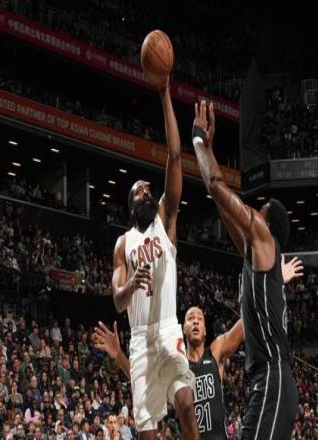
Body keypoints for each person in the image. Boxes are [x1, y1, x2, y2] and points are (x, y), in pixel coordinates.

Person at [95, 256, 303, 439]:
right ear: (183, 329)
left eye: (200, 319)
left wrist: (276, 283)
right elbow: (143, 380)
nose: (195, 321)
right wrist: (118, 354)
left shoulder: (216, 351)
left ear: (204, 330)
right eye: (190, 318)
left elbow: (248, 319)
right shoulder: (175, 365)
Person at [191, 100, 298, 439]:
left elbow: (216, 186)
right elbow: (222, 206)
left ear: (267, 222)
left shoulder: (265, 237)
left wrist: (198, 141)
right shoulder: (257, 256)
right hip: (267, 382)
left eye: (260, 209)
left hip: (273, 379)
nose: (254, 212)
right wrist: (211, 152)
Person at [111, 76, 198, 439]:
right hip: (139, 340)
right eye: (139, 191)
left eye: (148, 189)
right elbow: (118, 302)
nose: (147, 192)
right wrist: (132, 283)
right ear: (131, 206)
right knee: (147, 433)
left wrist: (165, 94)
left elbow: (175, 156)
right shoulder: (123, 244)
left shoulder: (166, 220)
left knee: (186, 405)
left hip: (167, 328)